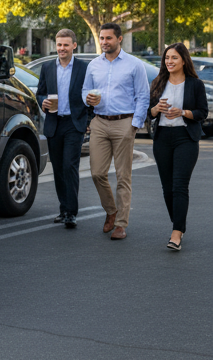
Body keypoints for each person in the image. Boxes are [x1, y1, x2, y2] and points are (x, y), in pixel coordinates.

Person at [81, 22, 150, 240]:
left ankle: (120, 224)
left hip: (124, 122)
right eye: (101, 38)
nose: (104, 42)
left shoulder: (134, 65)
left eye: (108, 38)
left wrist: (135, 124)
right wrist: (87, 99)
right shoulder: (93, 65)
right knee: (97, 173)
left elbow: (143, 95)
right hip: (99, 122)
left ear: (119, 39)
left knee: (123, 176)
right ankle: (111, 210)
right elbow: (85, 90)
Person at [149, 42, 208, 250]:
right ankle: (180, 224)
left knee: (179, 185)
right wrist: (156, 109)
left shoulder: (195, 84)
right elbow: (149, 112)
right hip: (163, 137)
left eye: (174, 58)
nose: (169, 61)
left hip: (185, 137)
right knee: (167, 189)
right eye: (167, 58)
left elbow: (202, 113)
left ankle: (176, 234)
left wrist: (182, 112)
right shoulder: (158, 82)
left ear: (184, 60)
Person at [36, 29, 89, 227]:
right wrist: (43, 102)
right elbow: (40, 93)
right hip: (54, 123)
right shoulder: (47, 67)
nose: (62, 48)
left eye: (66, 45)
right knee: (58, 168)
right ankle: (63, 208)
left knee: (69, 166)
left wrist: (88, 120)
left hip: (74, 124)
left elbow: (91, 94)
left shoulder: (84, 68)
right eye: (59, 45)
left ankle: (71, 213)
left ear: (74, 45)